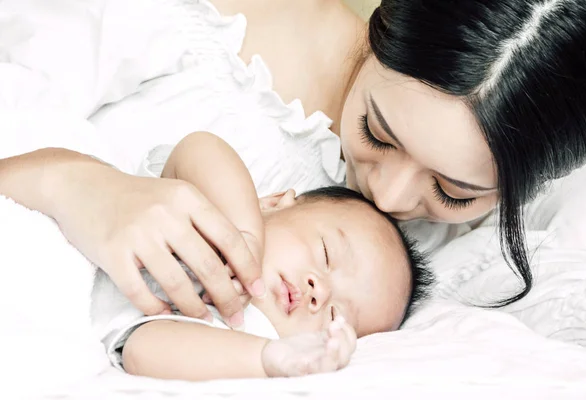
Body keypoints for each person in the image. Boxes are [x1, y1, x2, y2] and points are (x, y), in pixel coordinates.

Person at [0, 0, 586, 329]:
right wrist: (72, 183)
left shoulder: (512, 206)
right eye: (376, 131)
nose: (388, 198)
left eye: (453, 191)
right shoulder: (178, 24)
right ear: (378, 35)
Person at [91, 131, 432, 380]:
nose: (320, 291)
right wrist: (244, 234)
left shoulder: (243, 333)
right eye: (326, 254)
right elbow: (198, 148)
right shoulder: (209, 208)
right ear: (271, 203)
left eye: (336, 317)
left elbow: (142, 350)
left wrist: (265, 359)